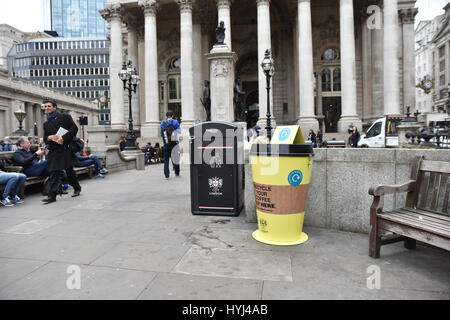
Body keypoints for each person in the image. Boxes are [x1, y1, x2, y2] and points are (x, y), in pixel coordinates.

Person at [41, 99, 82, 204]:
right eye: (45, 107)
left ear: (55, 107)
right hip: (54, 150)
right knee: (54, 172)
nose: (46, 108)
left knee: (69, 171)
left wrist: (63, 138)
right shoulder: (46, 123)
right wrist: (49, 137)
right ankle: (52, 196)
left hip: (65, 148)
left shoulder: (65, 117)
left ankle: (77, 188)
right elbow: (45, 137)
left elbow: (74, 129)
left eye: (49, 106)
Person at [160, 110, 181, 179]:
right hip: (174, 143)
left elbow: (161, 134)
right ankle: (177, 173)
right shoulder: (175, 122)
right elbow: (179, 131)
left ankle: (166, 175)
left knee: (166, 160)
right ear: (172, 116)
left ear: (166, 116)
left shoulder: (162, 123)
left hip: (166, 143)